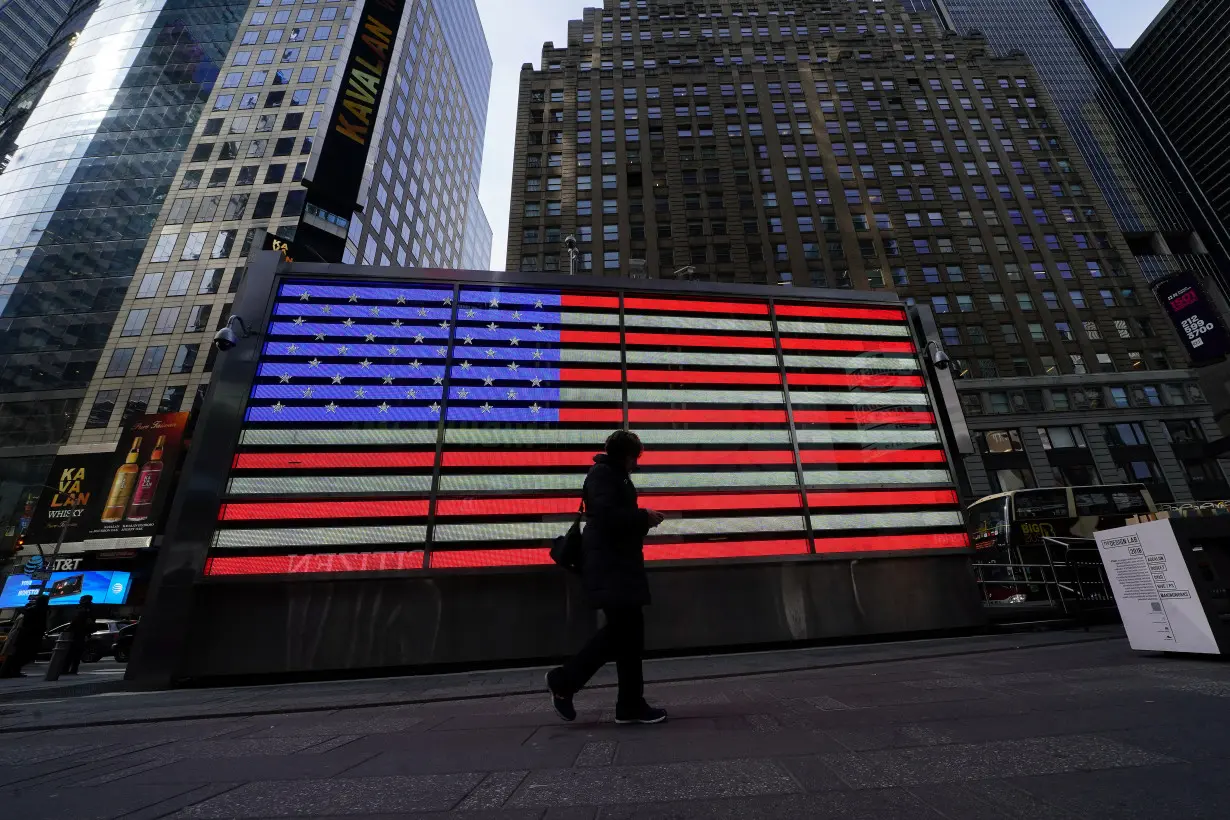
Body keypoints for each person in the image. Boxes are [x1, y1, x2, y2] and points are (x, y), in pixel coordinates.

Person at [546, 430, 668, 725]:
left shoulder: (611, 475)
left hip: (618, 567)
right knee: (624, 634)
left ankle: (627, 704)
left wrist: (640, 520)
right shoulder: (605, 475)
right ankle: (565, 681)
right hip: (612, 568)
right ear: (626, 455)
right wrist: (643, 516)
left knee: (627, 637)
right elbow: (607, 517)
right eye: (634, 457)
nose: (635, 464)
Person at [0, 595, 48, 678]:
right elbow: (35, 625)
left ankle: (10, 671)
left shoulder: (30, 611)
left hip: (24, 637)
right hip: (28, 637)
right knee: (21, 655)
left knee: (16, 655)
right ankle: (11, 671)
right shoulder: (36, 611)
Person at [63, 595, 97, 675]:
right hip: (84, 633)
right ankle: (74, 669)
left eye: (81, 599)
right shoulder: (92, 608)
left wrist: (68, 629)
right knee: (77, 653)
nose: (79, 600)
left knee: (70, 652)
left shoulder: (82, 608)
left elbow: (76, 620)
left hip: (77, 633)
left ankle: (65, 669)